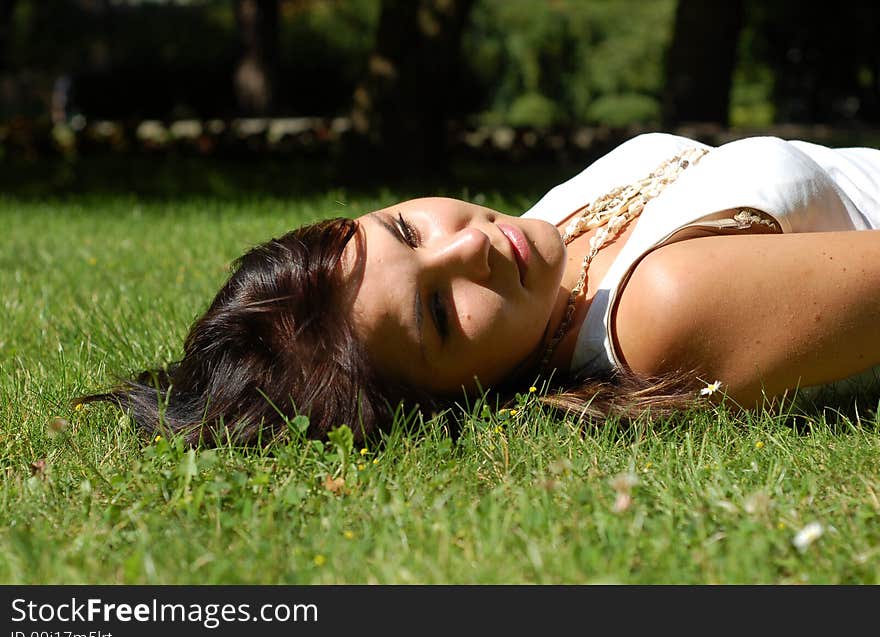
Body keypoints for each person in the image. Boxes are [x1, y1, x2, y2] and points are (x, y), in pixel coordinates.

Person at [81, 132, 880, 446]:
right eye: (436, 309)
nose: (470, 244)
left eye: (404, 231)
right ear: (450, 394)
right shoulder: (661, 307)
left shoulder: (535, 258)